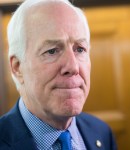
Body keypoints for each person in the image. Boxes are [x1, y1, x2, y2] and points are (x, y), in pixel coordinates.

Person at [0, 0, 117, 150]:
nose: (73, 67)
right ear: (17, 67)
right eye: (52, 51)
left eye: (80, 49)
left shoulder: (101, 132)